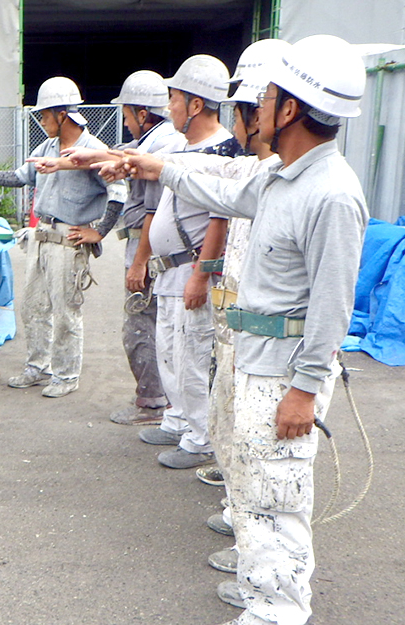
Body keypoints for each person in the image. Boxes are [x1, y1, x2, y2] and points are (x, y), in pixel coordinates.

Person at [122, 34, 368, 625]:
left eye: (267, 97)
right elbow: (223, 186)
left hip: (285, 373)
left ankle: (278, 612)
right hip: (257, 360)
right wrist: (151, 164)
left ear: (290, 110)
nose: (255, 108)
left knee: (277, 498)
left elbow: (334, 306)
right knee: (255, 493)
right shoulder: (282, 176)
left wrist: (305, 390)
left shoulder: (332, 194)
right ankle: (263, 593)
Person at [0, 76, 126, 398]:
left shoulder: (94, 151)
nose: (42, 121)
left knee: (66, 313)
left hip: (69, 241)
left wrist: (99, 231)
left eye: (45, 115)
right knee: (33, 307)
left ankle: (66, 375)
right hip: (41, 237)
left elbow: (118, 191)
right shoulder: (46, 147)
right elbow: (19, 177)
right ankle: (38, 366)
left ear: (63, 115)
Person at [136, 55, 242, 470]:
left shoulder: (223, 152)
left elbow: (221, 217)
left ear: (195, 104)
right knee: (170, 350)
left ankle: (200, 438)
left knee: (194, 356)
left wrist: (203, 274)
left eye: (174, 98)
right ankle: (179, 418)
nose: (170, 107)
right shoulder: (181, 147)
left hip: (192, 270)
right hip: (170, 269)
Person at [106, 70, 178, 425]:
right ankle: (161, 401)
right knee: (152, 325)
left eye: (127, 114)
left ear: (142, 114)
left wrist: (139, 263)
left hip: (144, 246)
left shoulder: (160, 144)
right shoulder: (156, 140)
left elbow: (153, 211)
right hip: (145, 246)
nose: (125, 121)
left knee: (140, 326)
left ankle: (152, 402)